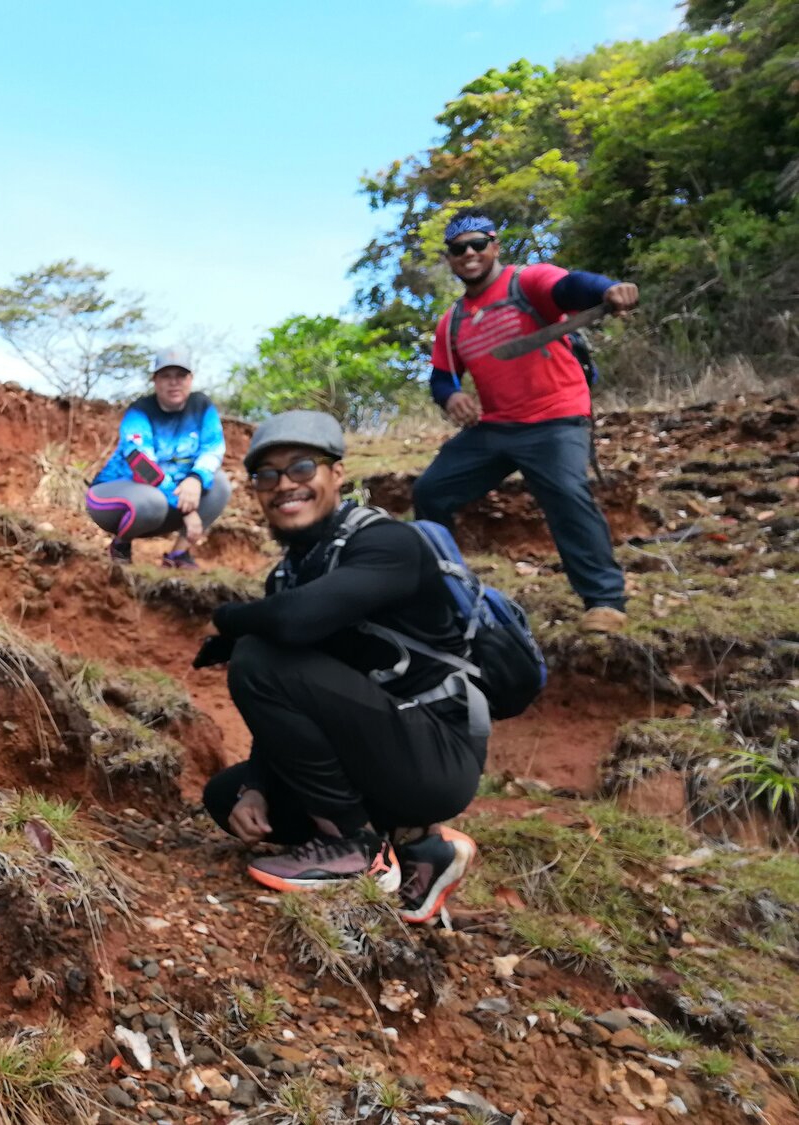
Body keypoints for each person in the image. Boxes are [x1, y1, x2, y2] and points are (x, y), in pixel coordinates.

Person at [196, 410, 482, 924]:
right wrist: (256, 785)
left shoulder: (388, 544)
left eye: (302, 468)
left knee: (258, 656)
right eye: (267, 476)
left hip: (435, 755)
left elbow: (294, 623)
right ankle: (423, 852)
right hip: (378, 747)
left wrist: (229, 619)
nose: (285, 485)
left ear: (337, 474)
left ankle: (355, 848)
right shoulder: (290, 574)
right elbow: (290, 705)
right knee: (227, 795)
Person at [414, 208, 638, 634]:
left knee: (566, 492)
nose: (470, 254)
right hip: (495, 427)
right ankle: (442, 592)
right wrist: (453, 397)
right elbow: (441, 378)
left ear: (495, 246)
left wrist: (610, 290)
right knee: (431, 492)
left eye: (478, 244)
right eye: (459, 249)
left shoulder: (527, 282)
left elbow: (573, 287)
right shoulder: (452, 321)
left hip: (556, 417)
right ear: (450, 259)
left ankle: (605, 601)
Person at [86, 346, 229, 569]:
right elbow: (142, 466)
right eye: (166, 376)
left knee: (219, 482)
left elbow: (212, 448)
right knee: (153, 501)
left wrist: (196, 478)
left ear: (190, 379)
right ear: (155, 380)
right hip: (115, 496)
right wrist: (188, 509)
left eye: (180, 376)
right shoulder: (139, 412)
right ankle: (121, 545)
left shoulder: (202, 407)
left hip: (168, 498)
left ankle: (178, 555)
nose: (174, 382)